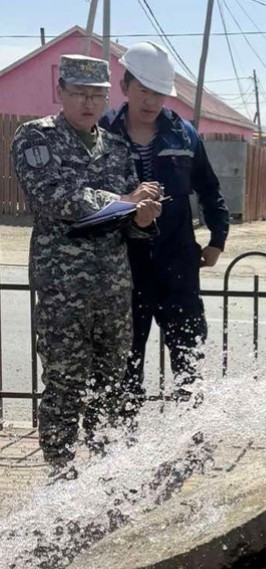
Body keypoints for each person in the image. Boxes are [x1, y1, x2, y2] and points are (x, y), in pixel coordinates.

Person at [11, 54, 162, 470]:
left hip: (112, 286)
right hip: (64, 288)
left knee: (111, 384)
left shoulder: (115, 148)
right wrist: (124, 201)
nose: (88, 103)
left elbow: (129, 220)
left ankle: (101, 471)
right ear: (60, 92)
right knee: (65, 383)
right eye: (79, 93)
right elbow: (53, 196)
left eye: (96, 95)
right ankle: (61, 471)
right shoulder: (36, 137)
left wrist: (143, 218)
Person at [99, 42, 229, 405]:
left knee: (189, 360)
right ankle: (125, 435)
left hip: (177, 266)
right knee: (123, 366)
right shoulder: (103, 134)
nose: (150, 101)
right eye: (143, 90)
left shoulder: (184, 135)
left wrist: (217, 239)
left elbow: (210, 189)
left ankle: (190, 433)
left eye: (158, 93)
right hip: (123, 267)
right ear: (124, 86)